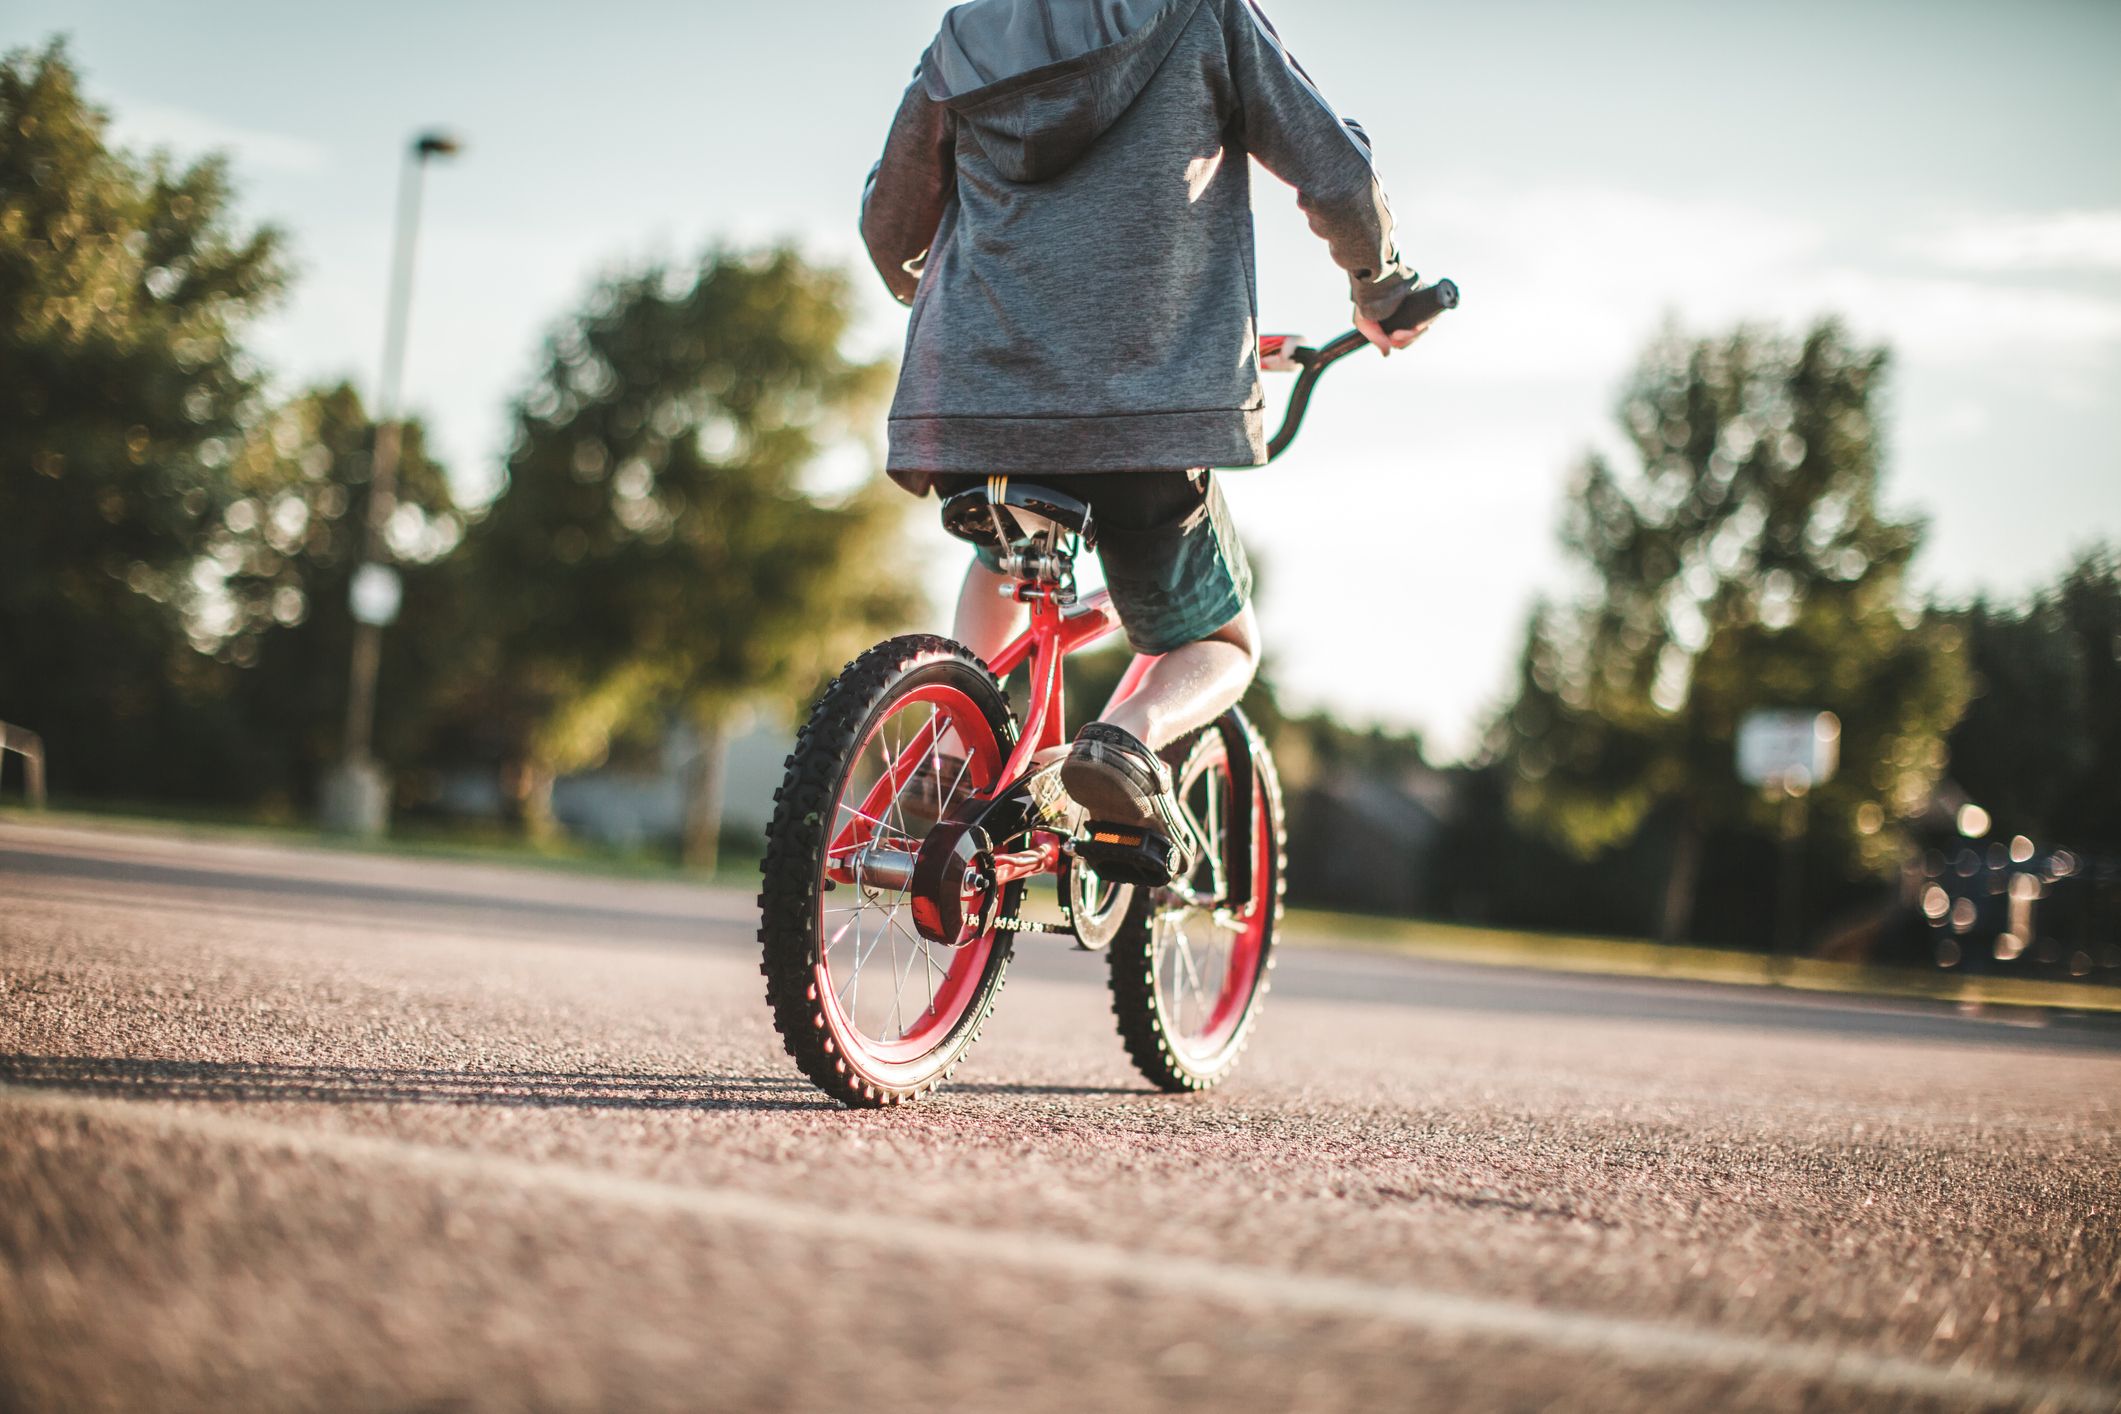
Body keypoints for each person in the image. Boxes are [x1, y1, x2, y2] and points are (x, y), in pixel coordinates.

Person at [859, 0, 1431, 833]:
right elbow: (1335, 174)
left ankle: (950, 753)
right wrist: (1382, 289)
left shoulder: (967, 36)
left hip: (971, 403)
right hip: (1136, 412)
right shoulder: (1203, 15)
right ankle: (1124, 741)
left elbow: (890, 229)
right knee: (1224, 645)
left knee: (1004, 549)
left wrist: (972, 304)